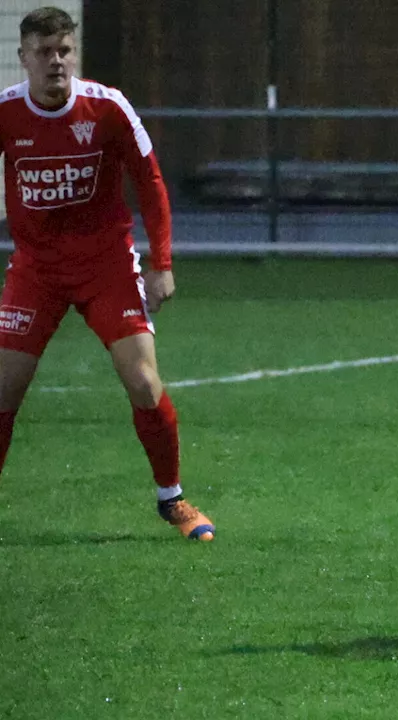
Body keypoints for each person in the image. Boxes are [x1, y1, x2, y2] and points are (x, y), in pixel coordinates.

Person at [0, 7, 213, 541]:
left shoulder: (108, 107)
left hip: (106, 265)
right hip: (36, 269)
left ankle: (173, 499)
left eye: (64, 50)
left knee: (143, 381)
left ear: (75, 54)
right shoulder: (5, 112)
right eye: (44, 52)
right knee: (5, 387)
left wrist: (161, 264)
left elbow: (151, 181)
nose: (56, 61)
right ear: (23, 57)